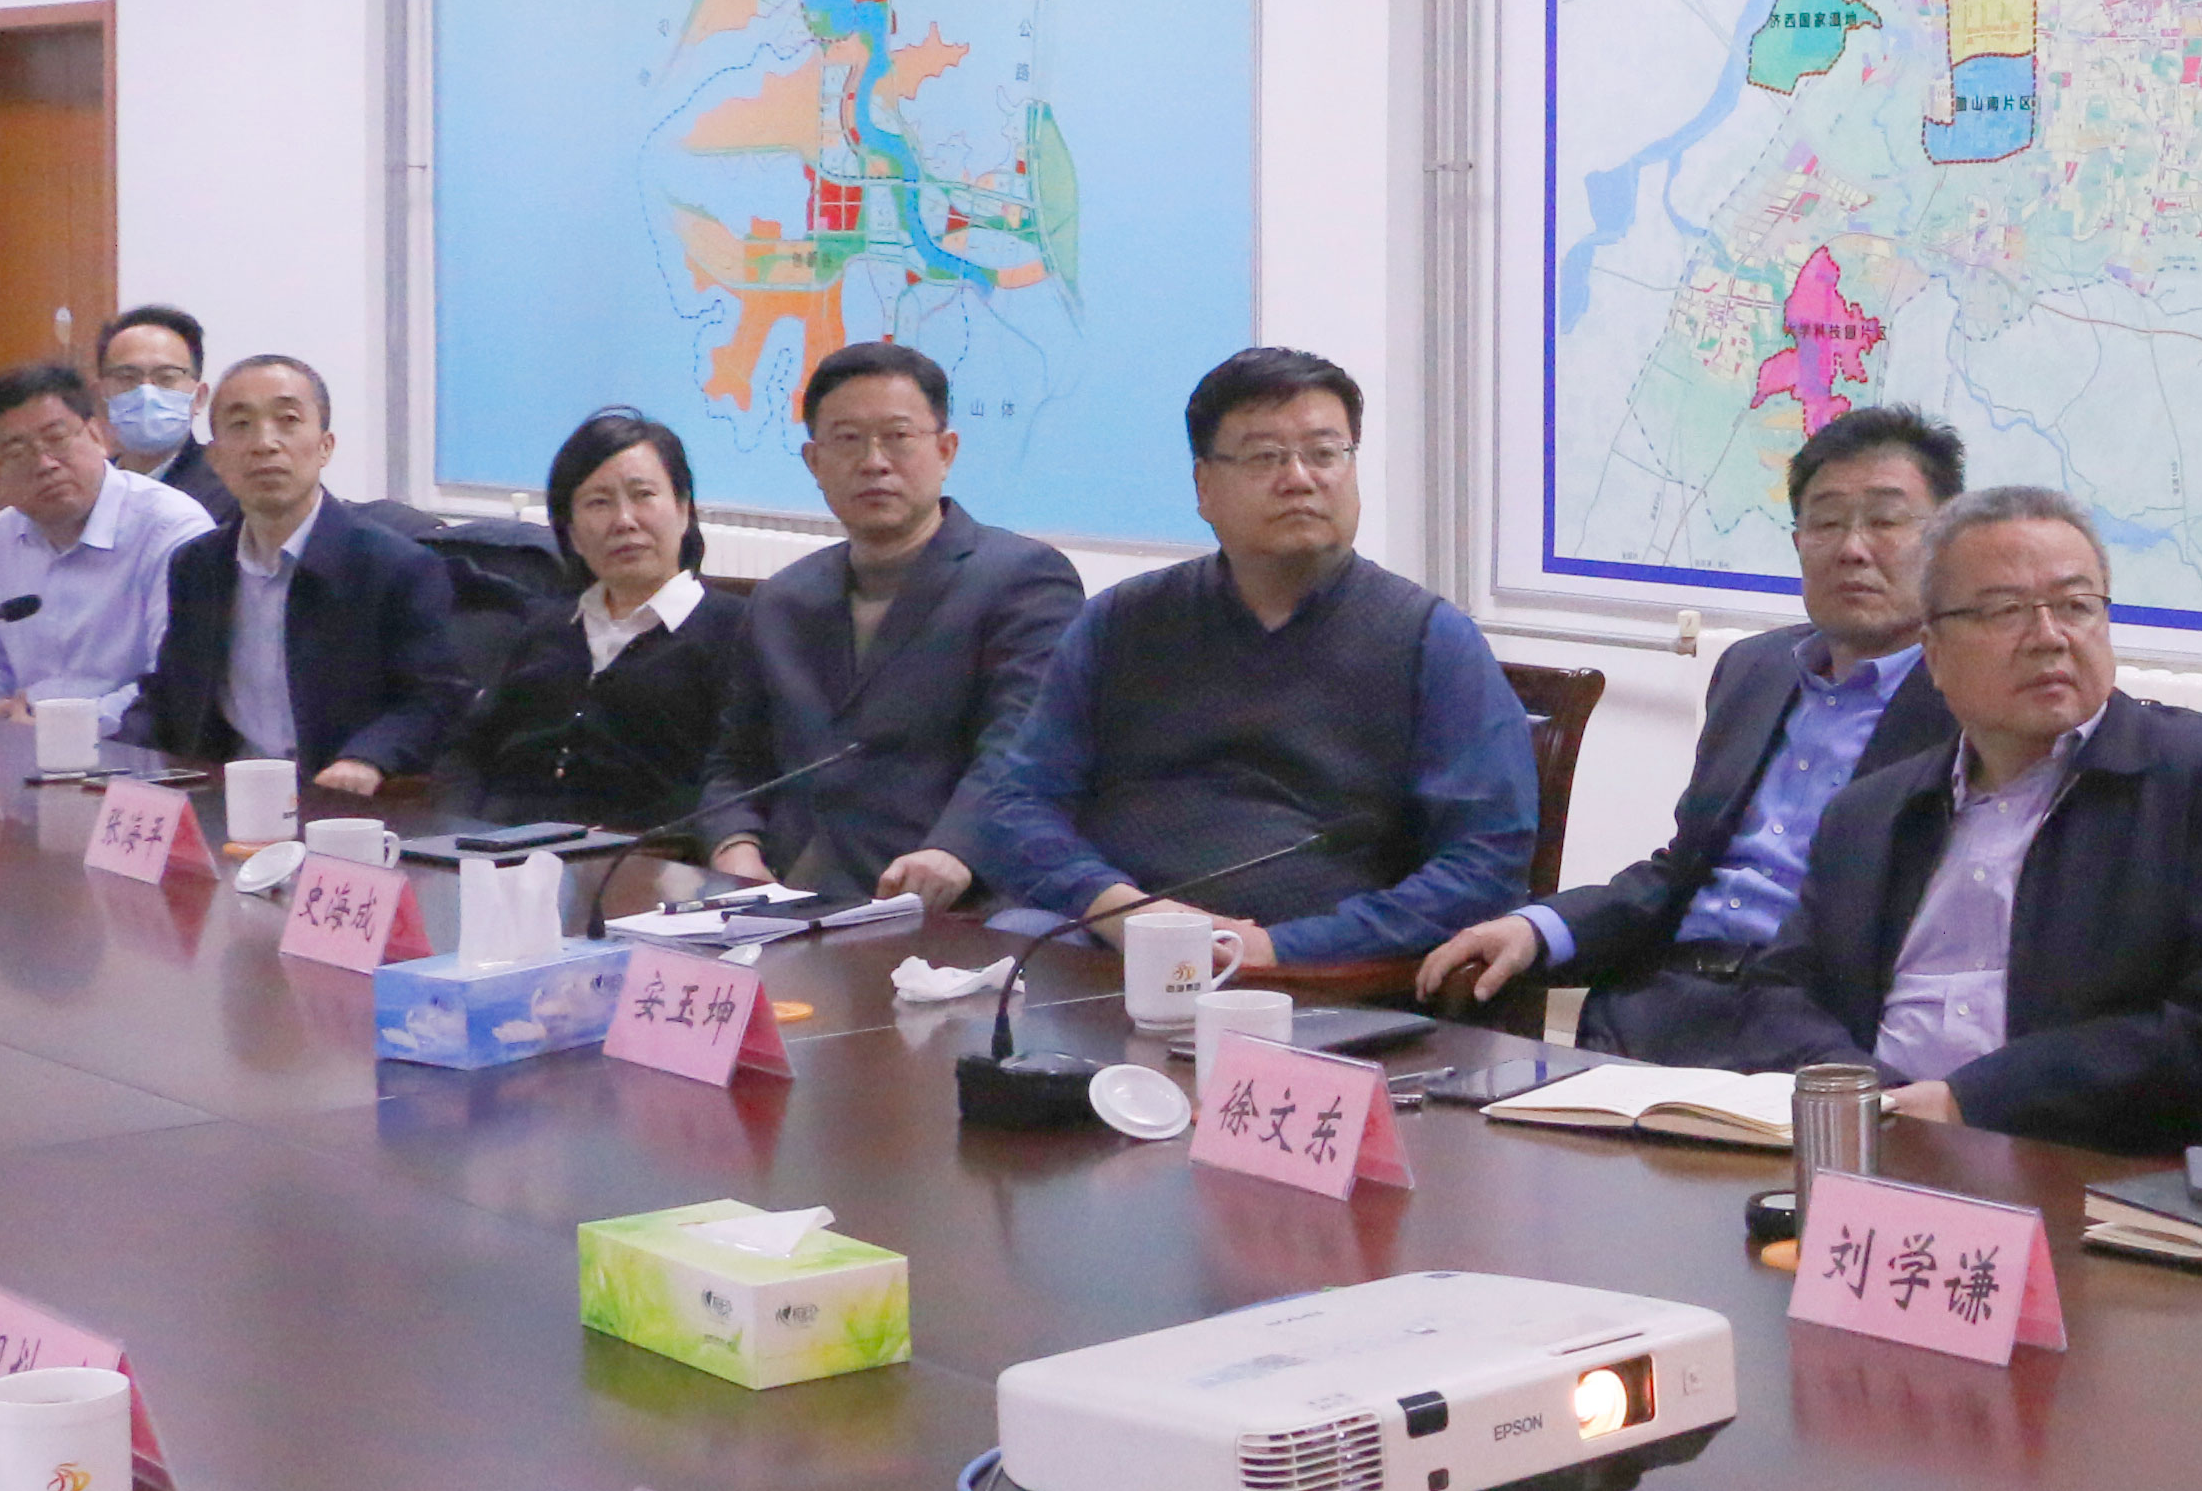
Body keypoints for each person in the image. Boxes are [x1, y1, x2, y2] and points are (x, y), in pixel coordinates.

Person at [1711, 482, 2202, 1152]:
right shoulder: (1871, 812)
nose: (2050, 638)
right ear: (1934, 654)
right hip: (1869, 1140)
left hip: (2069, 1157)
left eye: (2076, 606)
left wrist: (1971, 1102)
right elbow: (1780, 994)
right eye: (2005, 611)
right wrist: (1870, 1096)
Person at [1420, 404, 1960, 1056]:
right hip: (1661, 1005)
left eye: (1886, 521)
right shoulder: (1755, 670)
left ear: (1947, 543)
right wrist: (1537, 928)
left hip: (1818, 1027)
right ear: (1798, 541)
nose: (1853, 549)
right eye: (1826, 522)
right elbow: (1682, 869)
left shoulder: (1971, 702)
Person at [974, 347, 1535, 966]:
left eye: (1325, 453)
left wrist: (1282, 948)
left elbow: (1487, 860)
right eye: (1266, 457)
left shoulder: (1431, 640)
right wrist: (1119, 910)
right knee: (1008, 951)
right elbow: (1018, 806)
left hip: (1317, 973)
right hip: (1114, 939)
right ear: (1204, 487)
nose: (1299, 478)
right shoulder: (1122, 622)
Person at [700, 340, 1083, 904]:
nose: (874, 462)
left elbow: (1020, 745)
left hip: (942, 899)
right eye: (847, 439)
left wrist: (955, 850)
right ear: (814, 462)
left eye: (898, 437)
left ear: (946, 451)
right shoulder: (781, 600)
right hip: (780, 897)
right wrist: (735, 849)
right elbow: (736, 760)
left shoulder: (1023, 580)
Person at [141, 354, 461, 797]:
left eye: (288, 421)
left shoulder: (395, 567)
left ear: (325, 446)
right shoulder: (197, 565)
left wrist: (366, 759)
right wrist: (109, 753)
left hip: (334, 799)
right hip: (225, 792)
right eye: (240, 425)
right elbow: (171, 693)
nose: (265, 443)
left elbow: (434, 700)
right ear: (215, 458)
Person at [462, 408, 749, 833]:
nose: (624, 521)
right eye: (598, 502)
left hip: (642, 858)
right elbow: (467, 752)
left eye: (643, 495)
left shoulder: (738, 633)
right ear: (572, 534)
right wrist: (457, 830)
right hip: (496, 851)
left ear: (684, 510)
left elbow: (736, 779)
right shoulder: (545, 628)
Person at [0, 361, 211, 726]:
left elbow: (175, 677)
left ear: (98, 437)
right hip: (17, 737)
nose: (45, 463)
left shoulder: (171, 528)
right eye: (17, 451)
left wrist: (63, 727)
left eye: (57, 438)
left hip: (128, 743)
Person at [96, 306, 224, 524]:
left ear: (199, 397)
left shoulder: (228, 493)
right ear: (101, 395)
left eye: (166, 377)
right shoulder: (87, 490)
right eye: (127, 377)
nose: (146, 393)